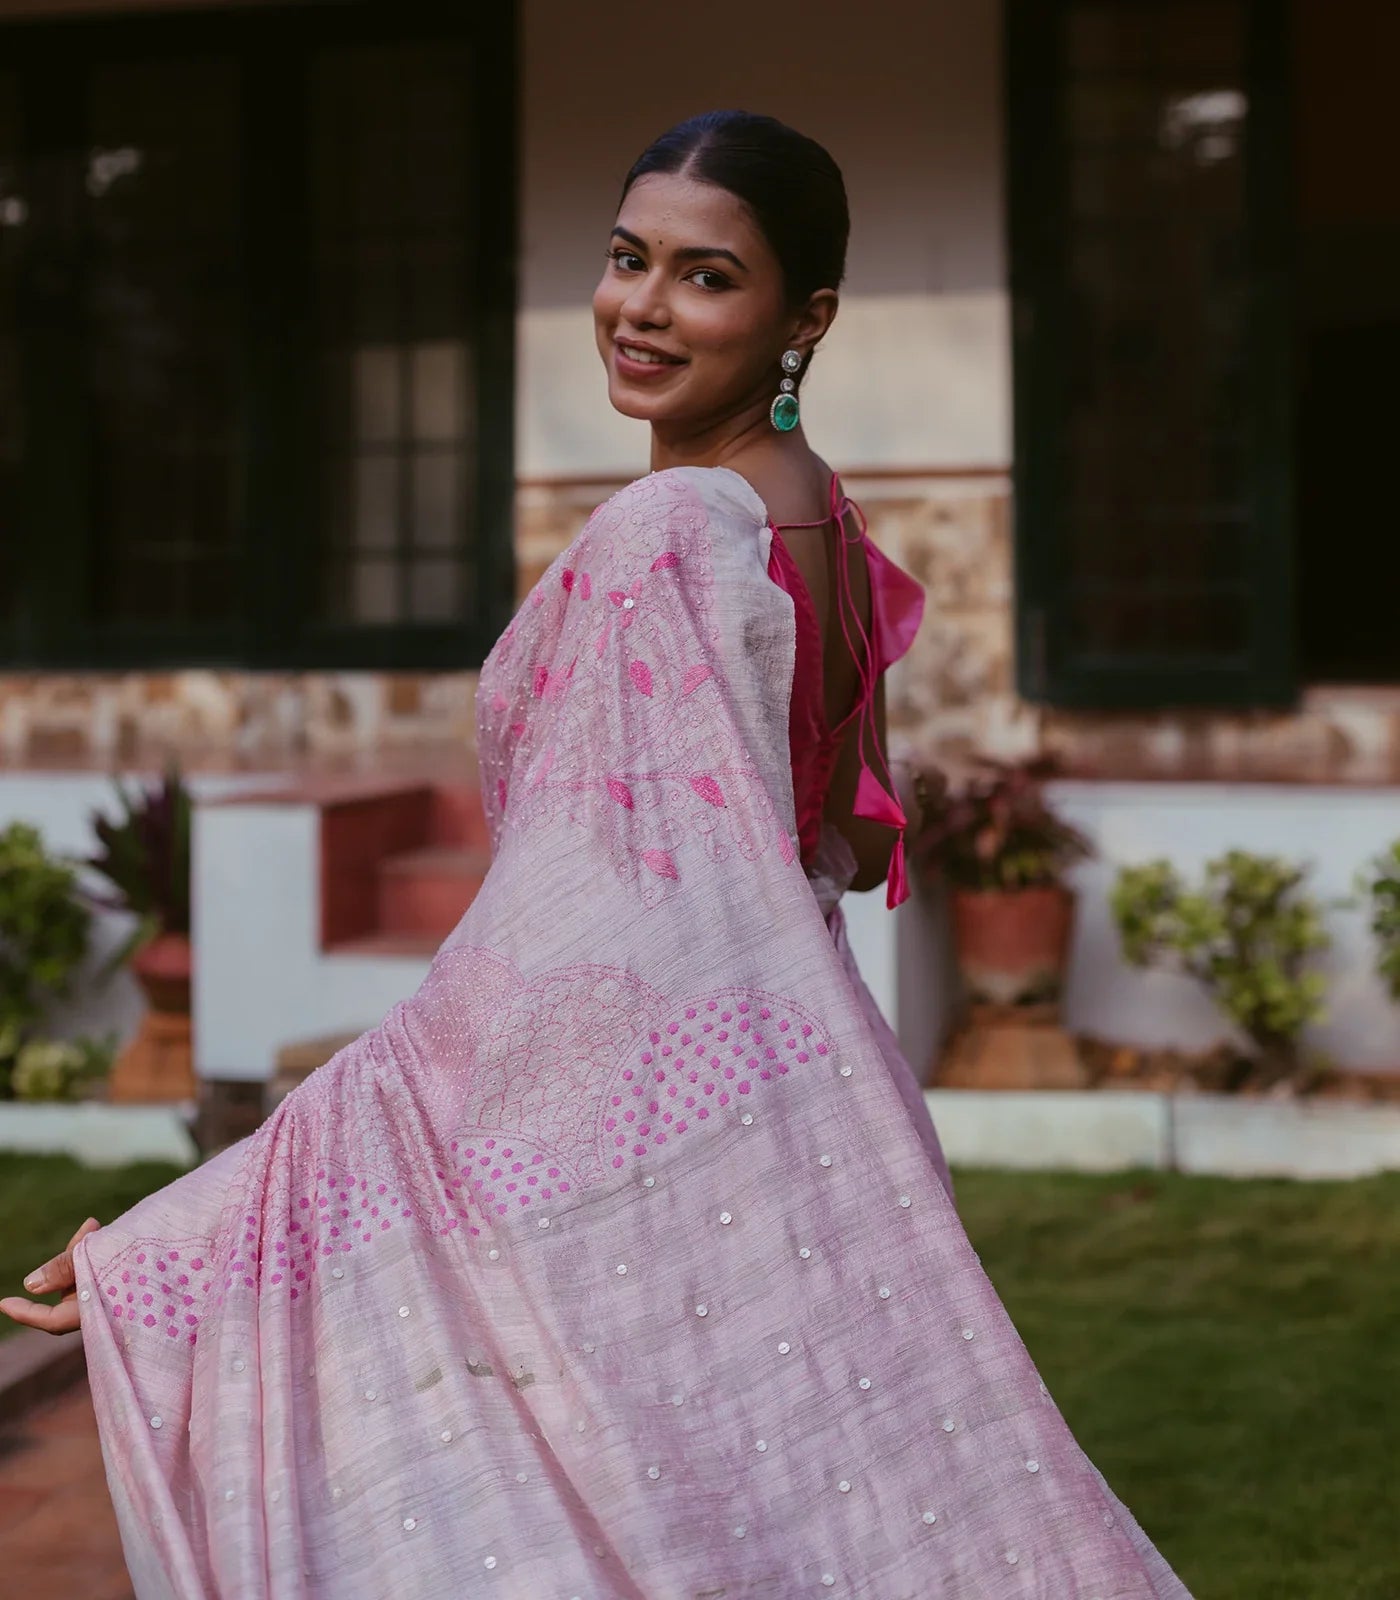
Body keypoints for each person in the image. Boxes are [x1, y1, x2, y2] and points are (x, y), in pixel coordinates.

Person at [2, 111, 1192, 1599]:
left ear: (801, 319)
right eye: (629, 258)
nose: (640, 307)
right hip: (781, 1105)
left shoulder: (669, 536)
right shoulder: (809, 512)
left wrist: (206, 1221)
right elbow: (793, 852)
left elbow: (561, 958)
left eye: (707, 278)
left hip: (662, 1117)